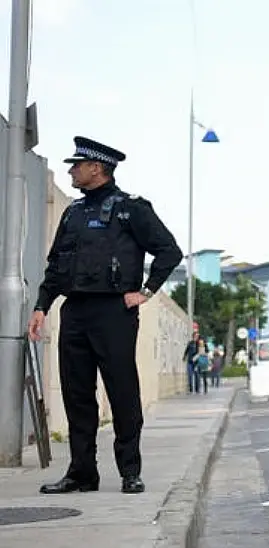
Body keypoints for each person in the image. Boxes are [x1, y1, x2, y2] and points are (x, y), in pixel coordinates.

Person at [28, 136, 183, 495]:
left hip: (114, 311)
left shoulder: (132, 209)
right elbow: (55, 266)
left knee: (122, 391)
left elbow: (168, 251)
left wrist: (145, 292)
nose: (71, 170)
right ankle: (83, 473)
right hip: (76, 312)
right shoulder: (73, 213)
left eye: (77, 165)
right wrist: (41, 306)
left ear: (96, 168)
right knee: (76, 393)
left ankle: (130, 470)